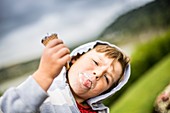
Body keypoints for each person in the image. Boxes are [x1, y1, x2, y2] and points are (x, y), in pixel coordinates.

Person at [0, 38, 131, 113]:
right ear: (75, 58)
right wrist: (44, 75)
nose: (98, 73)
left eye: (107, 78)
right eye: (95, 62)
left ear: (106, 91)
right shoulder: (43, 94)